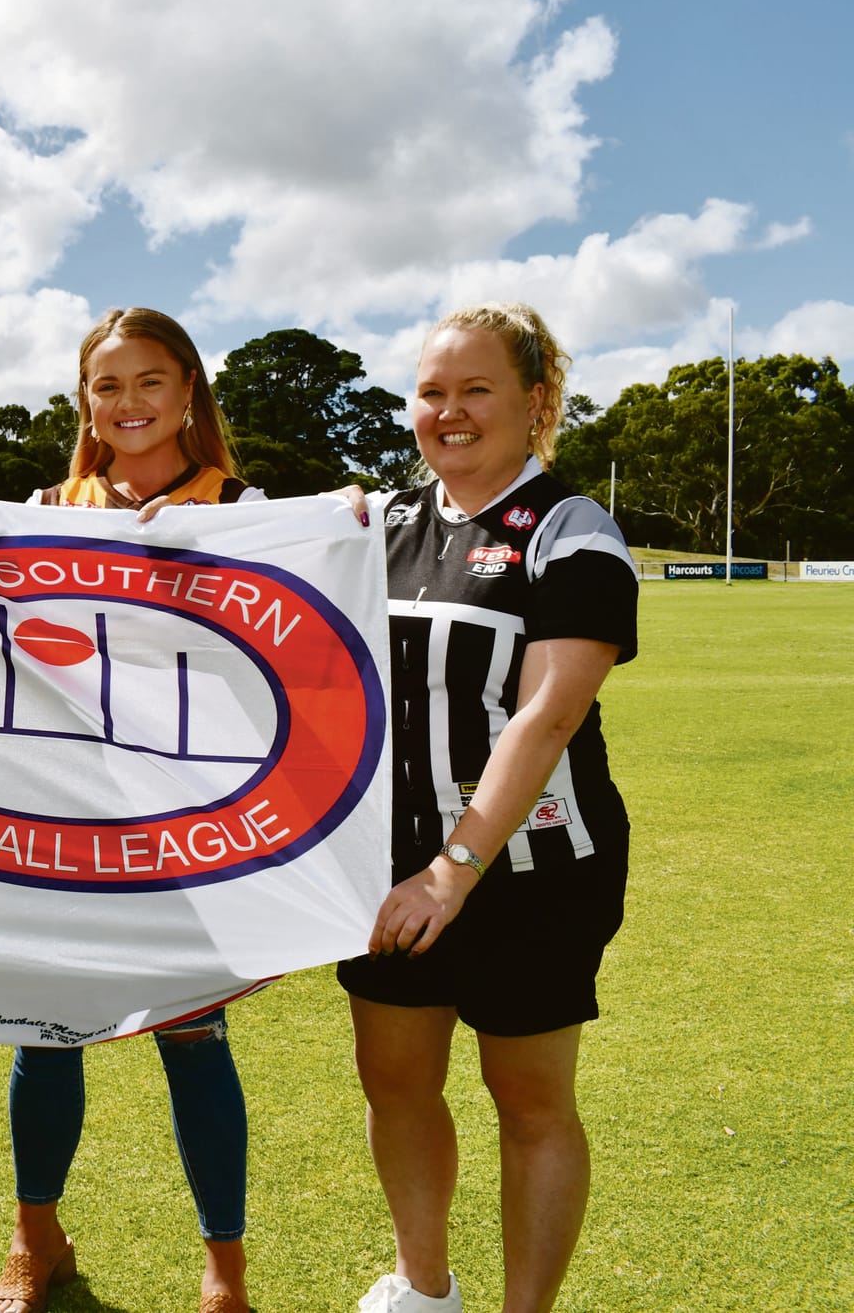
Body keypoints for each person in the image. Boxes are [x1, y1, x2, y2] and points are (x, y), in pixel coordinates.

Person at [337, 303, 637, 1313]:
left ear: (532, 401)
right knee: (395, 1084)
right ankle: (422, 1288)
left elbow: (546, 717)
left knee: (530, 1101)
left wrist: (452, 867)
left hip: (531, 873)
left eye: (476, 389)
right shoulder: (376, 526)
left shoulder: (570, 530)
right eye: (431, 391)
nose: (449, 412)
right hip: (391, 867)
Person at [0, 307, 266, 1313]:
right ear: (83, 401)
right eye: (107, 385)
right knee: (45, 1034)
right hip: (65, 820)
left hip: (184, 827)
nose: (128, 404)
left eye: (149, 381)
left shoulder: (240, 504)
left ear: (187, 389)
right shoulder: (45, 502)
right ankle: (34, 1239)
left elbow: (277, 660)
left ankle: (222, 1272)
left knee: (193, 1036)